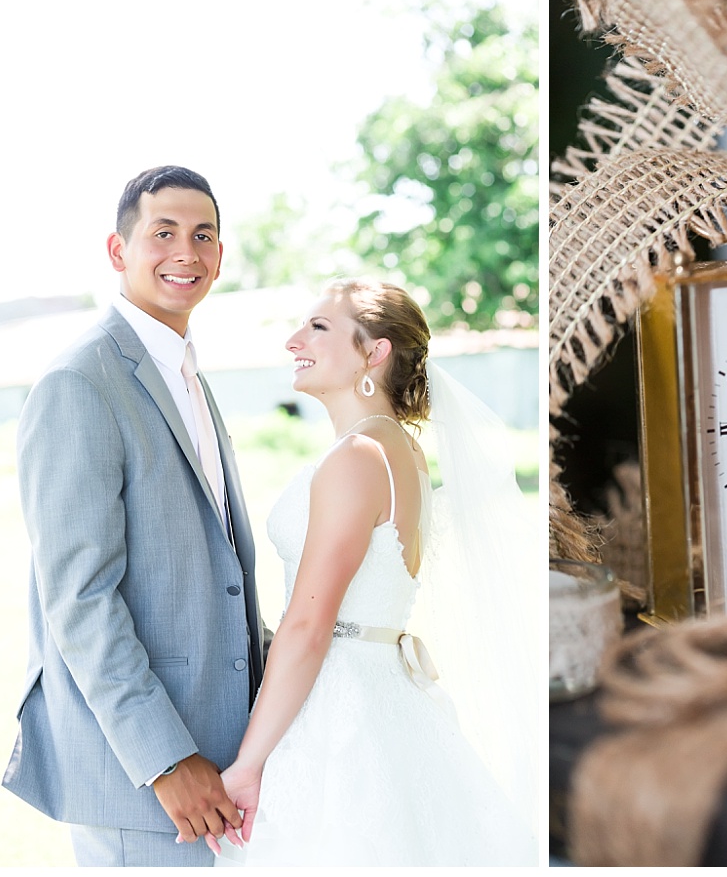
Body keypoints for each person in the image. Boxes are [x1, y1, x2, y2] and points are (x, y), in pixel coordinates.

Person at [211, 279, 538, 867]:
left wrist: (249, 764)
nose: (293, 341)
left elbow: (310, 623)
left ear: (375, 351)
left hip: (339, 709)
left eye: (318, 327)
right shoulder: (400, 450)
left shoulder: (358, 458)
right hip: (382, 690)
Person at [2, 166, 267, 867]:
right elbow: (79, 598)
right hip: (146, 784)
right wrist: (166, 760)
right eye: (164, 233)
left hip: (228, 757)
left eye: (204, 235)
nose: (187, 252)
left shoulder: (190, 378)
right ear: (119, 252)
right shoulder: (79, 383)